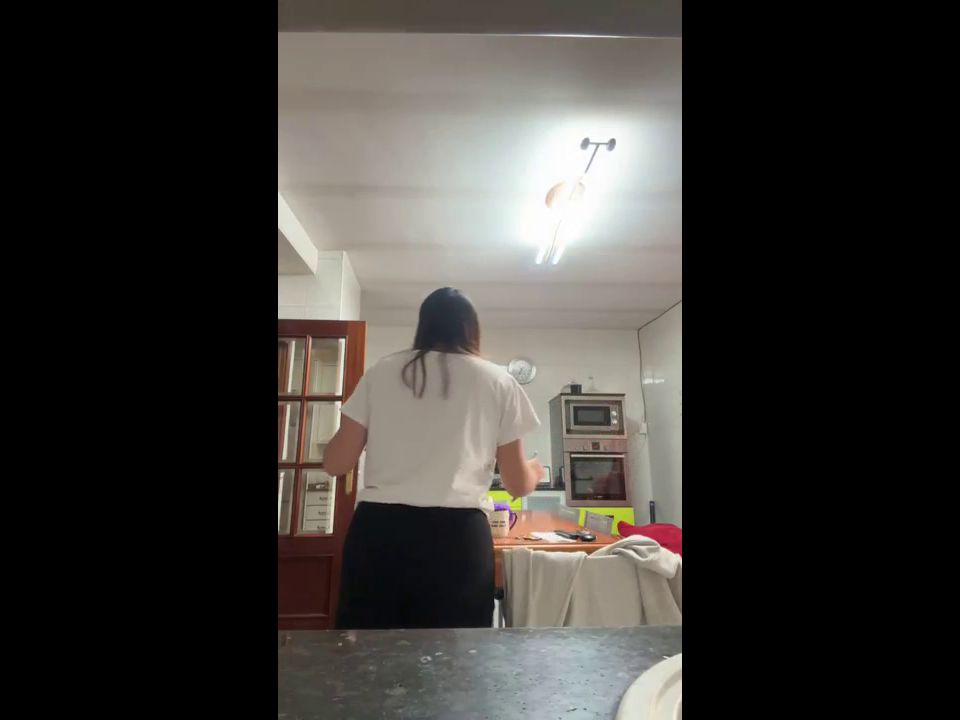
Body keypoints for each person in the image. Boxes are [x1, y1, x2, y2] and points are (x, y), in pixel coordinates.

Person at [324, 287, 544, 629]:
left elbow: (336, 463)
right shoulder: (499, 382)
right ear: (471, 329)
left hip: (379, 535)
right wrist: (535, 471)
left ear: (423, 326)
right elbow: (517, 484)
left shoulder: (383, 371)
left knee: (370, 651)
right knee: (455, 654)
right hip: (458, 540)